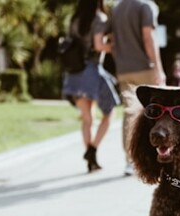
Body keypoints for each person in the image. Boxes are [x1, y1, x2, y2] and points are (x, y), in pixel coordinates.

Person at [61, 0, 120, 173]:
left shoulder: (75, 18)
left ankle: (91, 160)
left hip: (73, 73)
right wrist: (114, 46)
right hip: (91, 71)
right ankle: (92, 150)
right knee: (109, 113)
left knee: (87, 119)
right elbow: (98, 45)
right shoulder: (99, 18)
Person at [109, 0, 166, 175]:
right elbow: (148, 37)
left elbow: (111, 40)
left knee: (129, 113)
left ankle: (130, 161)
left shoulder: (116, 8)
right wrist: (158, 68)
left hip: (123, 70)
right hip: (144, 68)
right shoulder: (146, 6)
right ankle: (156, 157)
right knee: (155, 111)